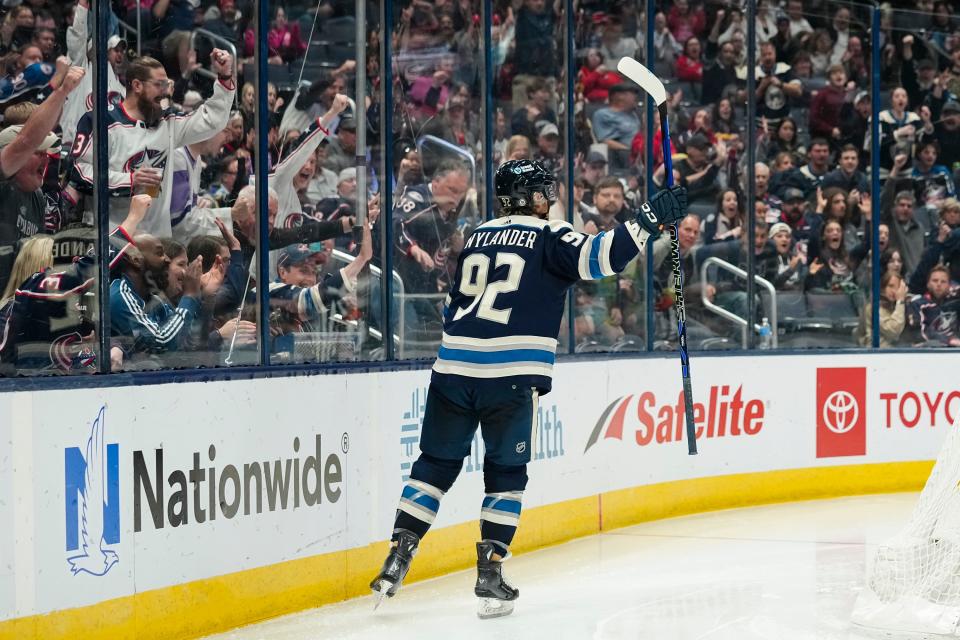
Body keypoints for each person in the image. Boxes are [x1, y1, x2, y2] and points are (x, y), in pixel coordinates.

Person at [369, 159, 687, 617]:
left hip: (452, 369)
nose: (549, 197)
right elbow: (602, 258)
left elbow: (455, 302)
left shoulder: (478, 233)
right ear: (532, 196)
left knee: (435, 464)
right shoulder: (549, 234)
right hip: (510, 375)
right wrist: (648, 220)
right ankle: (490, 573)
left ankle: (399, 554)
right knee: (505, 473)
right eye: (543, 191)